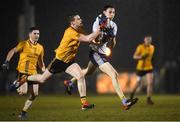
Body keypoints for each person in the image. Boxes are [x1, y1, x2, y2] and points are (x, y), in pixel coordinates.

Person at [10, 14, 107, 110]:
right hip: (59, 61)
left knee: (80, 75)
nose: (81, 19)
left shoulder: (78, 30)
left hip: (69, 62)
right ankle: (24, 79)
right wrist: (99, 29)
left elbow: (90, 39)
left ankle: (84, 103)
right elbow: (87, 38)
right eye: (78, 19)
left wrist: (100, 39)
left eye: (80, 18)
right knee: (42, 79)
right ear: (72, 22)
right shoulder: (70, 31)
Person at [64, 5, 138, 110]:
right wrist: (103, 33)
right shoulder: (98, 22)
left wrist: (111, 37)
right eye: (110, 12)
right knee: (114, 74)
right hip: (95, 52)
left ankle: (70, 81)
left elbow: (112, 45)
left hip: (102, 53)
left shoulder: (114, 25)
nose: (112, 14)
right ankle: (124, 101)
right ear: (104, 12)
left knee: (88, 72)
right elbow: (94, 40)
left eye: (113, 12)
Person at [1, 27, 45, 120]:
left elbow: (40, 61)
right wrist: (6, 61)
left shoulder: (40, 47)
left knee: (35, 94)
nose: (37, 35)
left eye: (38, 34)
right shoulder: (23, 44)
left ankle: (23, 112)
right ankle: (16, 83)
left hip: (33, 73)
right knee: (23, 92)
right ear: (30, 34)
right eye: (35, 33)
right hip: (23, 72)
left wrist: (43, 69)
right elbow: (12, 51)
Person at [130, 35, 155, 105]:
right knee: (138, 83)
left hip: (149, 67)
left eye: (150, 40)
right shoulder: (140, 47)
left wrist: (147, 57)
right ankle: (131, 96)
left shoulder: (152, 47)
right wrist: (141, 57)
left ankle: (148, 99)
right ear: (144, 40)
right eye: (147, 40)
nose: (149, 41)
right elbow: (134, 56)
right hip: (140, 68)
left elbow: (149, 57)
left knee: (150, 83)